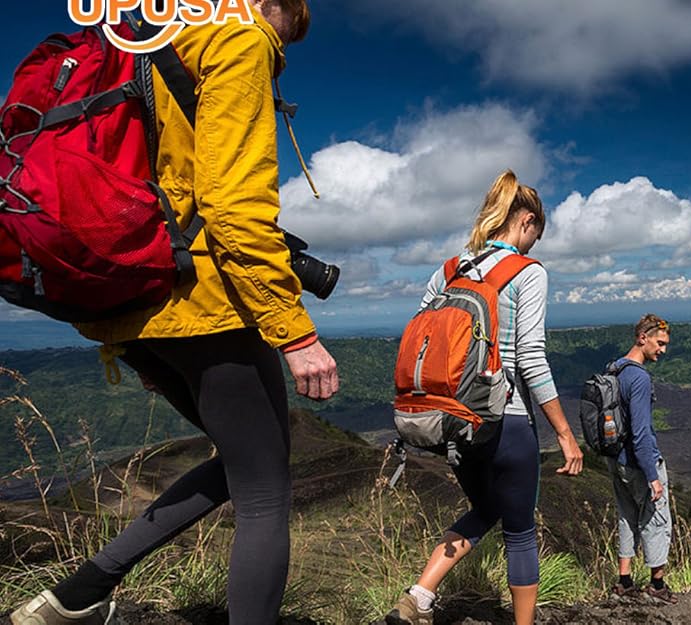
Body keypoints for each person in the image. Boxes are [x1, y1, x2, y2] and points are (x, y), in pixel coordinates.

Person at [8, 2, 338, 625]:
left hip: (128, 296)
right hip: (203, 300)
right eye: (284, 33)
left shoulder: (140, 37)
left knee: (241, 462)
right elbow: (235, 208)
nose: (279, 50)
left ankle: (73, 600)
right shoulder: (237, 36)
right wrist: (294, 333)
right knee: (266, 490)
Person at [385, 170, 584, 625]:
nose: (535, 246)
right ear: (527, 221)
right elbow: (531, 358)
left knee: (486, 508)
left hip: (453, 421)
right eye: (537, 235)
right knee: (520, 532)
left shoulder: (450, 268)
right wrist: (565, 435)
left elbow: (420, 339)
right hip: (505, 419)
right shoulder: (527, 272)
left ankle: (419, 596)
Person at [607, 314, 676, 604]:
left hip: (617, 460)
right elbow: (640, 432)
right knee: (657, 519)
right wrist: (651, 475)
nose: (663, 349)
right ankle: (657, 586)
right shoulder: (639, 377)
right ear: (642, 338)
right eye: (659, 343)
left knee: (627, 515)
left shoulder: (615, 369)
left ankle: (624, 582)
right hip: (638, 463)